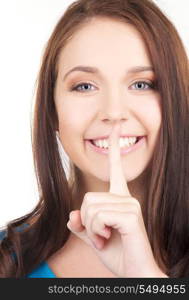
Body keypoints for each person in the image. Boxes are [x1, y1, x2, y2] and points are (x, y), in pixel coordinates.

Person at [0, 0, 188, 278]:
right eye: (84, 86)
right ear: (52, 111)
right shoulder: (7, 262)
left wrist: (145, 279)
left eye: (142, 84)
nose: (113, 112)